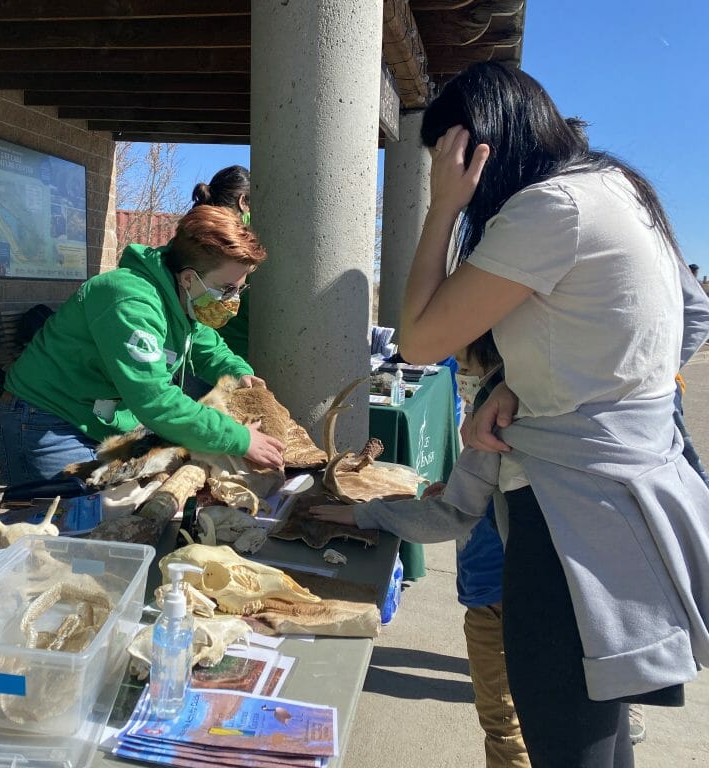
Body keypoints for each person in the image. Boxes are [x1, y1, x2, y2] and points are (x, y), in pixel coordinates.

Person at [395, 61, 709, 767]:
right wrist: (523, 381)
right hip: (638, 490)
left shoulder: (551, 208)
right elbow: (694, 314)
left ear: (474, 150)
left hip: (568, 509)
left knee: (566, 738)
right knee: (598, 730)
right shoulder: (621, 189)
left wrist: (443, 207)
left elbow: (419, 340)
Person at [313, 333, 531, 768]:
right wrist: (459, 485)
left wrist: (366, 515)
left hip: (499, 596)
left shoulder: (499, 413)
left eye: (465, 370)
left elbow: (452, 515)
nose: (463, 381)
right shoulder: (536, 395)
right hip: (529, 585)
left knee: (506, 726)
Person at [0, 204, 285, 487]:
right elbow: (156, 401)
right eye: (227, 289)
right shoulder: (130, 301)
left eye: (240, 288)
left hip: (102, 420)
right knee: (72, 521)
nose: (233, 299)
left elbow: (208, 347)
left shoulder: (181, 299)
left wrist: (239, 373)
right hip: (46, 421)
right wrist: (241, 439)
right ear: (188, 278)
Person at [191, 165, 252, 360]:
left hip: (197, 353)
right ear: (243, 202)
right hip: (231, 356)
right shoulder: (237, 247)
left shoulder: (192, 235)